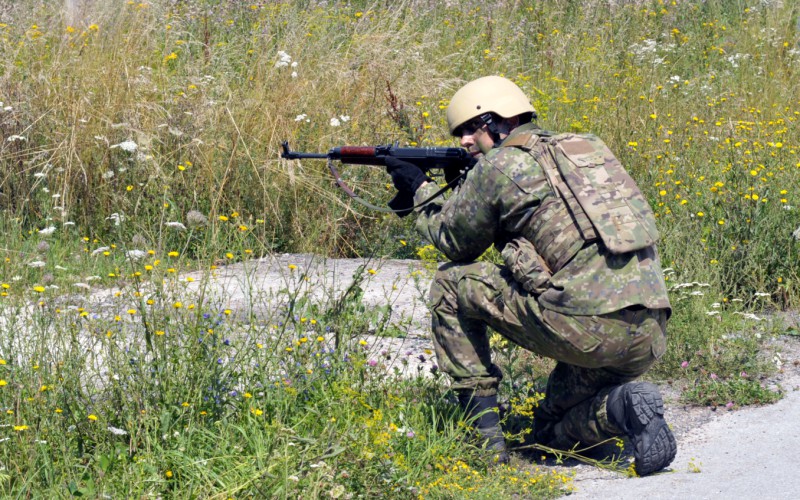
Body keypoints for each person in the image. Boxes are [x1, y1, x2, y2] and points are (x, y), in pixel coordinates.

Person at [383, 75, 676, 476]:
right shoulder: (586, 147)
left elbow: (455, 243)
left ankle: (483, 442)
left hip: (586, 330)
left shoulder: (499, 165)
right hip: (648, 330)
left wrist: (420, 190)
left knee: (451, 284)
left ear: (501, 121)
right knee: (550, 431)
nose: (465, 141)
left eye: (472, 128)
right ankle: (623, 407)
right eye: (459, 133)